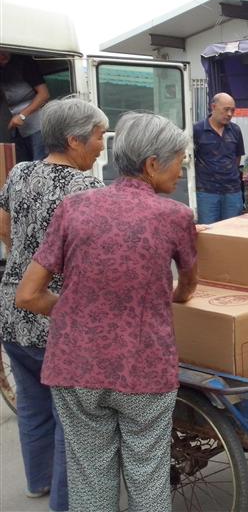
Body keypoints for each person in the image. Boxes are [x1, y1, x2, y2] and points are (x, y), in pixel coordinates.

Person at [15, 112, 198, 512]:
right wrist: (162, 299)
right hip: (144, 369)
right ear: (152, 164)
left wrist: (80, 310)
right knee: (147, 478)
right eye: (179, 162)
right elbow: (186, 289)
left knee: (91, 479)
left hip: (76, 367)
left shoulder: (74, 208)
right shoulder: (176, 217)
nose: (181, 173)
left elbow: (28, 296)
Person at [0, 98, 107, 512]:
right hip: (54, 315)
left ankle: (38, 482)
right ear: (73, 139)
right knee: (72, 422)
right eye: (98, 136)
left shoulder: (21, 172)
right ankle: (64, 504)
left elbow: (4, 220)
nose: (102, 145)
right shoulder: (87, 189)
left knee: (32, 403)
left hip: (12, 311)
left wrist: (22, 257)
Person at [193, 92, 245, 224]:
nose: (229, 114)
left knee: (232, 231)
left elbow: (237, 158)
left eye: (232, 110)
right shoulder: (197, 130)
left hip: (232, 191)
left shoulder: (235, 130)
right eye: (226, 109)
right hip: (207, 192)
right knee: (208, 231)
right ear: (213, 107)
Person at [0, 51, 50, 161]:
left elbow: (44, 94)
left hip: (37, 126)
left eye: (3, 52)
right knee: (22, 164)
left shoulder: (25, 63)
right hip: (18, 129)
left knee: (39, 162)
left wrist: (22, 115)